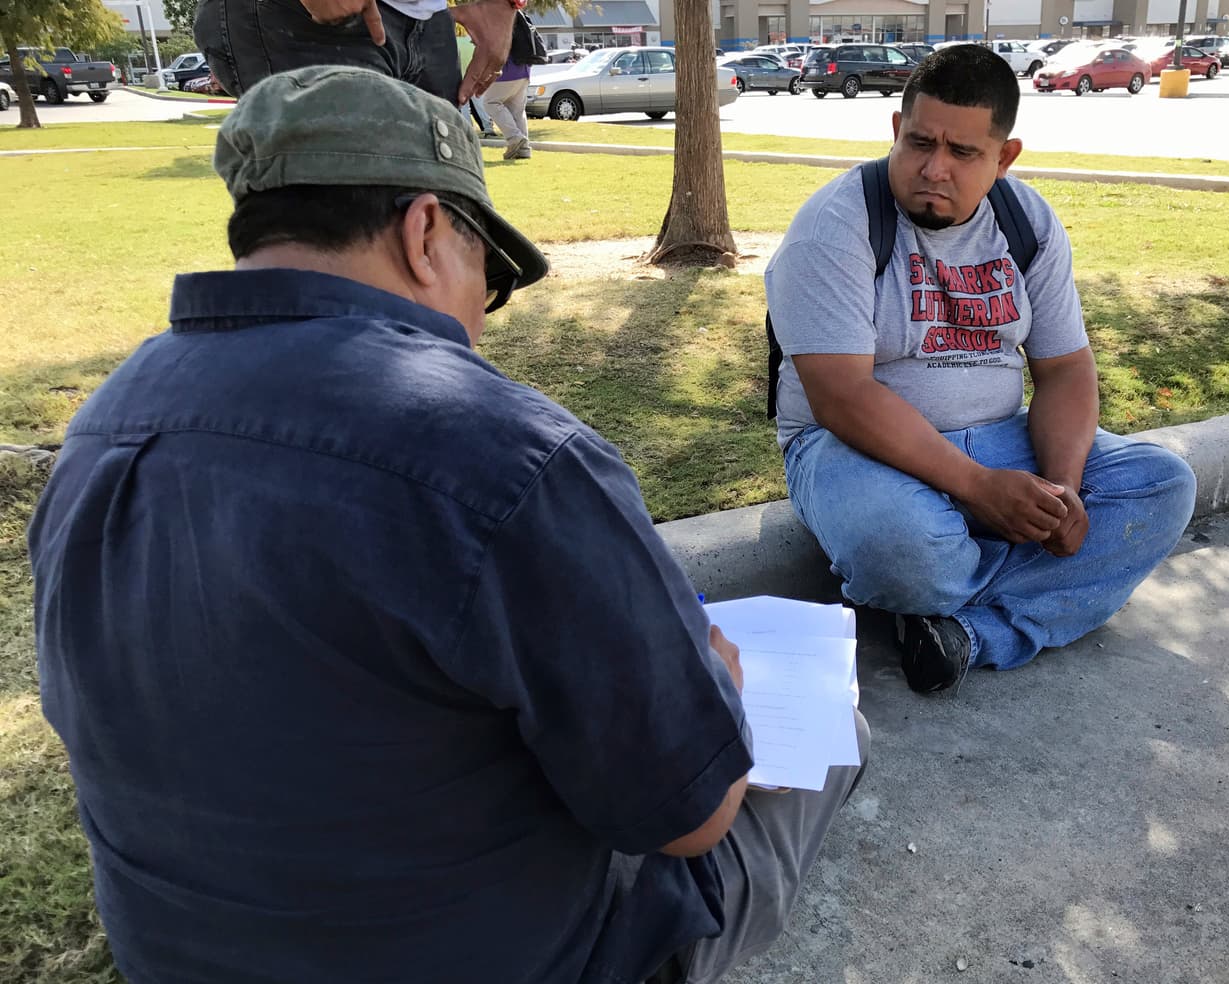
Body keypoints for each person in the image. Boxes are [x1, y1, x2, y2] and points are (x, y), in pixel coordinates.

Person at [29, 66, 868, 984]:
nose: (480, 322)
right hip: (512, 956)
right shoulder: (502, 455)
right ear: (426, 231)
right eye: (490, 281)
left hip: (177, 954)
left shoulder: (103, 421)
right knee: (837, 735)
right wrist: (717, 673)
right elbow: (692, 815)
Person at [766, 45, 1196, 695]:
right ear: (895, 131)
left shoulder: (1028, 223)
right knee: (901, 545)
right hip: (850, 451)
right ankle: (1017, 592)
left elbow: (1066, 370)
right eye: (919, 142)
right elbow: (841, 397)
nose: (933, 168)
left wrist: (1062, 492)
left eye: (962, 152)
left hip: (1000, 440)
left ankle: (960, 632)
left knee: (1162, 485)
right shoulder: (837, 223)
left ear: (1005, 157)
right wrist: (978, 489)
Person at [193, 0, 519, 105]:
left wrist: (506, 3)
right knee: (336, 233)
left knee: (439, 226)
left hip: (426, 19)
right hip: (298, 14)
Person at [484, 55, 532, 160]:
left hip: (505, 71)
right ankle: (523, 149)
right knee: (518, 111)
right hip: (524, 70)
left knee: (490, 102)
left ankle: (515, 137)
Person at [457, 29, 502, 137]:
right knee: (480, 104)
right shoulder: (474, 42)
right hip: (475, 78)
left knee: (464, 106)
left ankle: (468, 130)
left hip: (460, 79)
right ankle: (488, 128)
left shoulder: (453, 43)